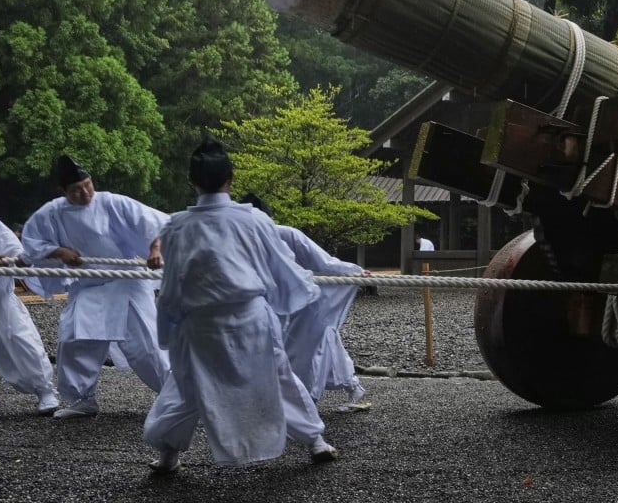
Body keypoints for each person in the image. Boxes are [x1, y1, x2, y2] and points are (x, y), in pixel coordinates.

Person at [143, 137, 338, 473]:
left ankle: (168, 453)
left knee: (187, 389)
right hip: (251, 320)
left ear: (193, 182)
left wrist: (168, 325)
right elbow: (282, 266)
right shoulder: (255, 220)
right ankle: (316, 441)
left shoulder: (176, 226)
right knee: (279, 379)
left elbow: (172, 284)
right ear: (231, 181)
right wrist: (299, 292)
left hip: (201, 324)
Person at [20, 156, 169, 419]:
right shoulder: (53, 211)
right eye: (76, 189)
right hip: (88, 284)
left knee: (146, 346)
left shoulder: (113, 201)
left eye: (88, 185)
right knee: (74, 339)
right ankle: (82, 399)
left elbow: (155, 224)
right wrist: (59, 251)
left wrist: (155, 249)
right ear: (63, 192)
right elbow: (31, 241)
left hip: (126, 281)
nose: (85, 192)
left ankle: (177, 397)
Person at [241, 193, 371, 412]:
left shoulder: (285, 234)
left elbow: (323, 261)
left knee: (309, 349)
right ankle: (343, 390)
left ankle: (307, 403)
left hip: (301, 305)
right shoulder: (244, 239)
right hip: (270, 304)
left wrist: (354, 272)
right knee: (315, 346)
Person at [0, 214, 60, 415]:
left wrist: (17, 259)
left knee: (21, 339)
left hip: (0, 297)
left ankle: (45, 390)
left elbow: (12, 246)